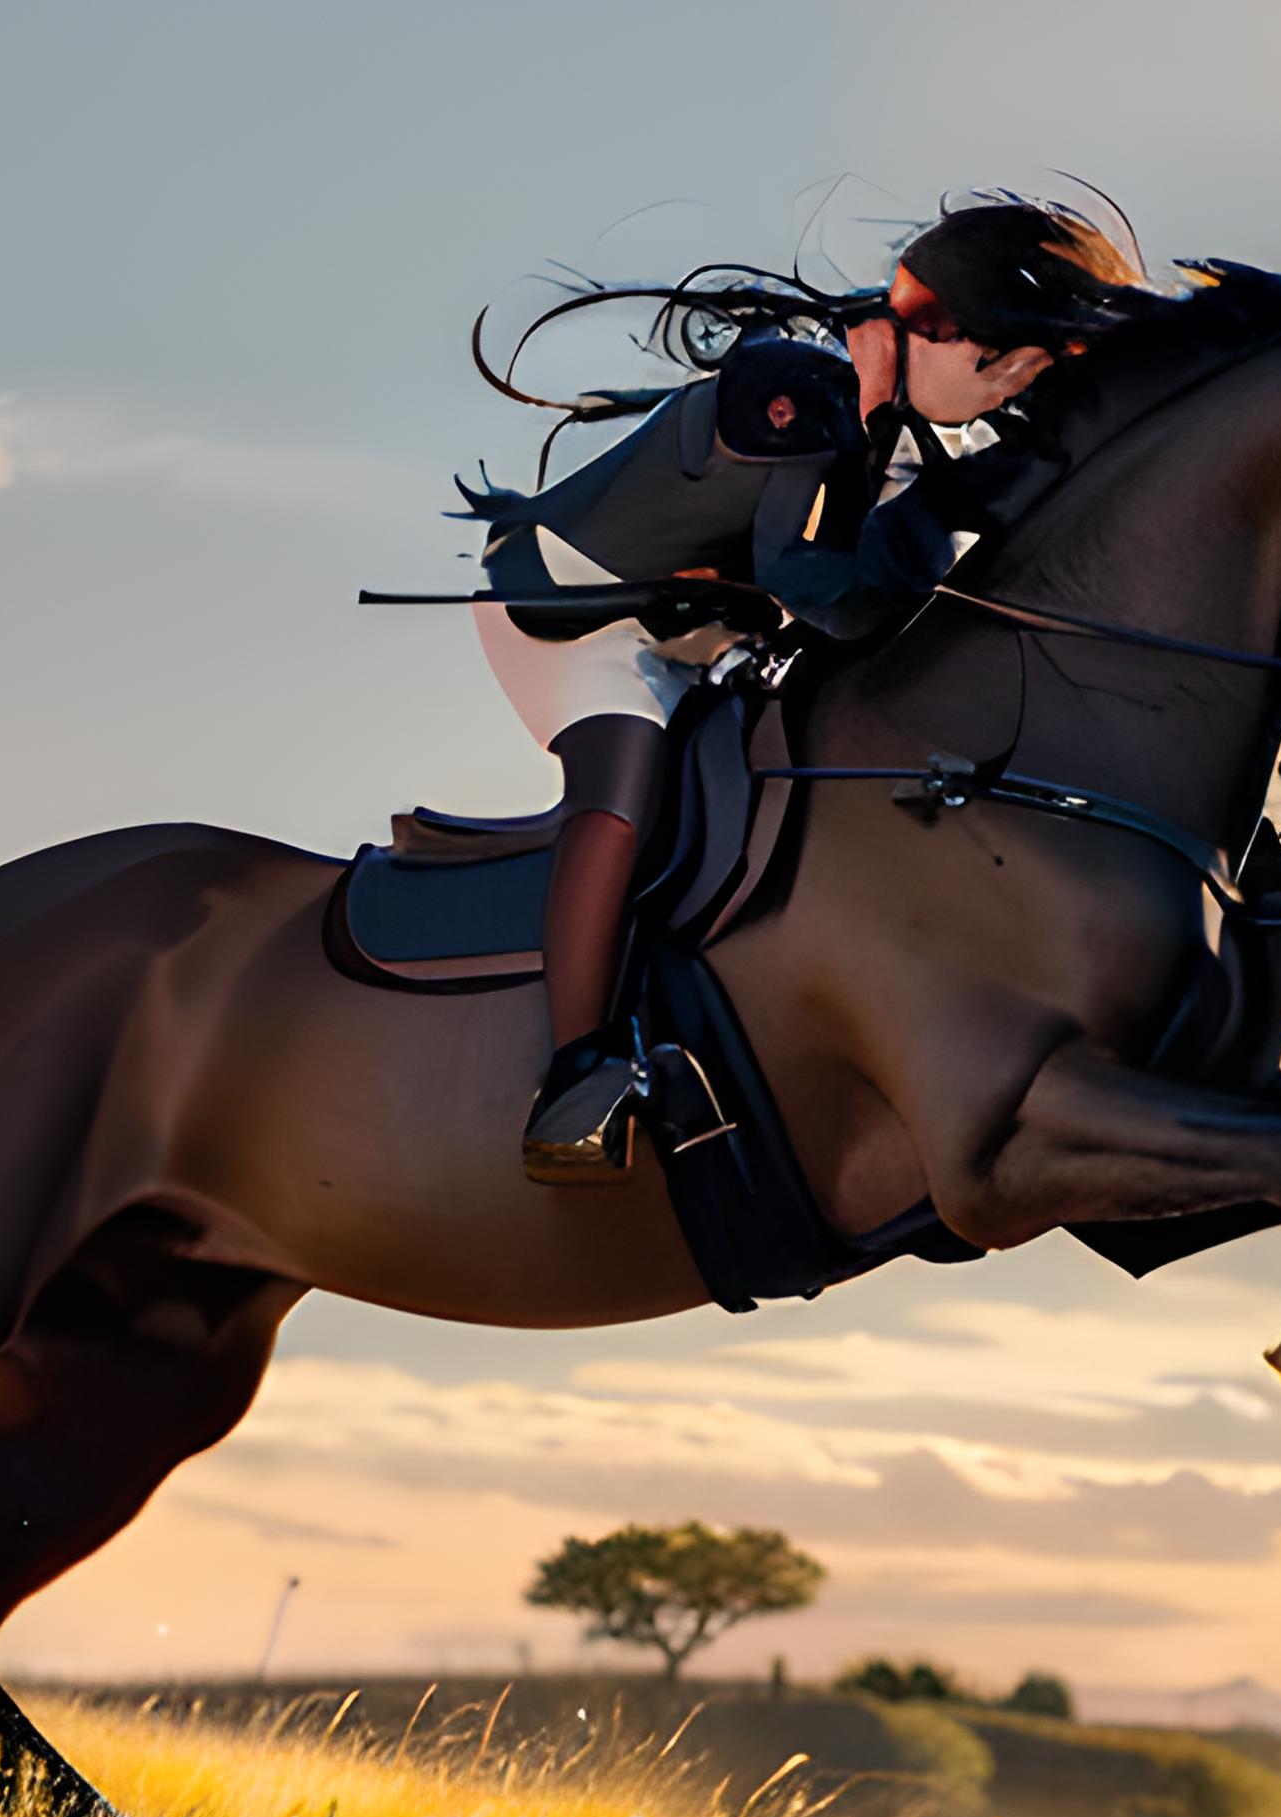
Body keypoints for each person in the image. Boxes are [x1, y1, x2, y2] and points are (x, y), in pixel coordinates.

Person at [465, 197, 1152, 1182]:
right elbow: (818, 586)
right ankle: (576, 1077)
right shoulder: (796, 383)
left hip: (709, 633)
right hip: (572, 616)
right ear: (954, 341)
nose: (1011, 399)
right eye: (1016, 373)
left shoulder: (918, 421)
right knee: (624, 790)